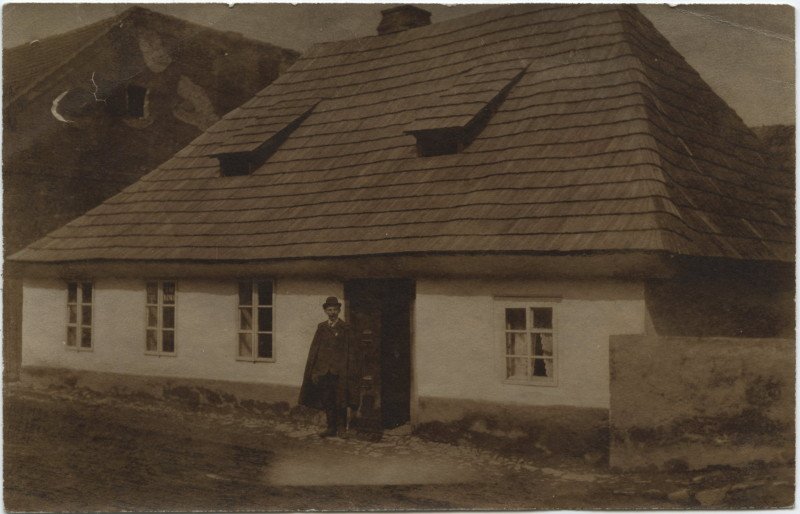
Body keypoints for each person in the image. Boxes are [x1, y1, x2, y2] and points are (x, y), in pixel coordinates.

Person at [298, 296, 360, 438]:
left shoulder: (345, 328)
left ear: (339, 311)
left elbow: (350, 351)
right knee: (327, 400)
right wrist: (315, 371)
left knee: (341, 400)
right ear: (325, 311)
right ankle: (331, 428)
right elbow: (315, 350)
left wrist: (348, 370)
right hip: (324, 372)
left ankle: (342, 429)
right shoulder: (321, 327)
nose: (332, 312)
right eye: (329, 310)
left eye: (335, 310)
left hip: (339, 372)